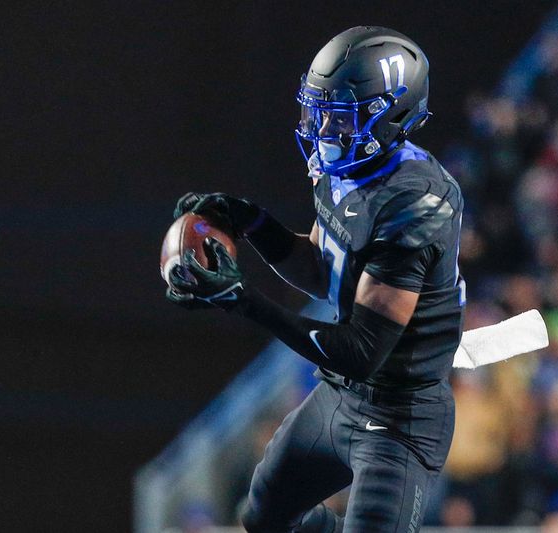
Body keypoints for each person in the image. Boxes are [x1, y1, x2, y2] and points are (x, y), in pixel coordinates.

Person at [167, 26, 465, 533]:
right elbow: (321, 268)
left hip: (400, 418)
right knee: (264, 519)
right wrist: (249, 221)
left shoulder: (417, 202)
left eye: (340, 117)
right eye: (320, 111)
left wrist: (244, 301)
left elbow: (360, 349)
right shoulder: (348, 170)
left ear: (390, 114)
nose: (324, 129)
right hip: (342, 395)